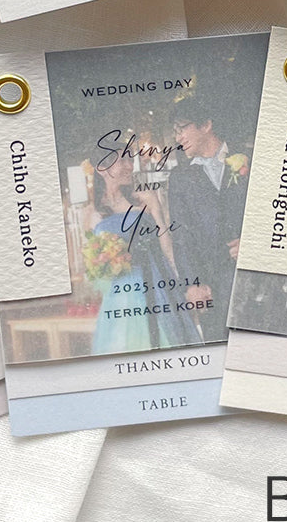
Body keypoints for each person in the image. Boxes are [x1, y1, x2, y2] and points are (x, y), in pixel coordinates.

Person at [87, 143, 195, 353]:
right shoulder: (93, 213)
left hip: (155, 285)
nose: (129, 166)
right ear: (102, 168)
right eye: (122, 160)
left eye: (130, 160)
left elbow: (166, 247)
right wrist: (106, 262)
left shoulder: (144, 198)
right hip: (119, 297)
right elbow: (93, 268)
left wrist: (181, 284)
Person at [167, 96, 250, 342]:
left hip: (253, 282)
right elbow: (181, 237)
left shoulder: (249, 158)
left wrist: (254, 243)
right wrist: (191, 286)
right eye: (175, 132)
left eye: (182, 129)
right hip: (211, 289)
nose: (178, 138)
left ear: (206, 125)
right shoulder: (179, 177)